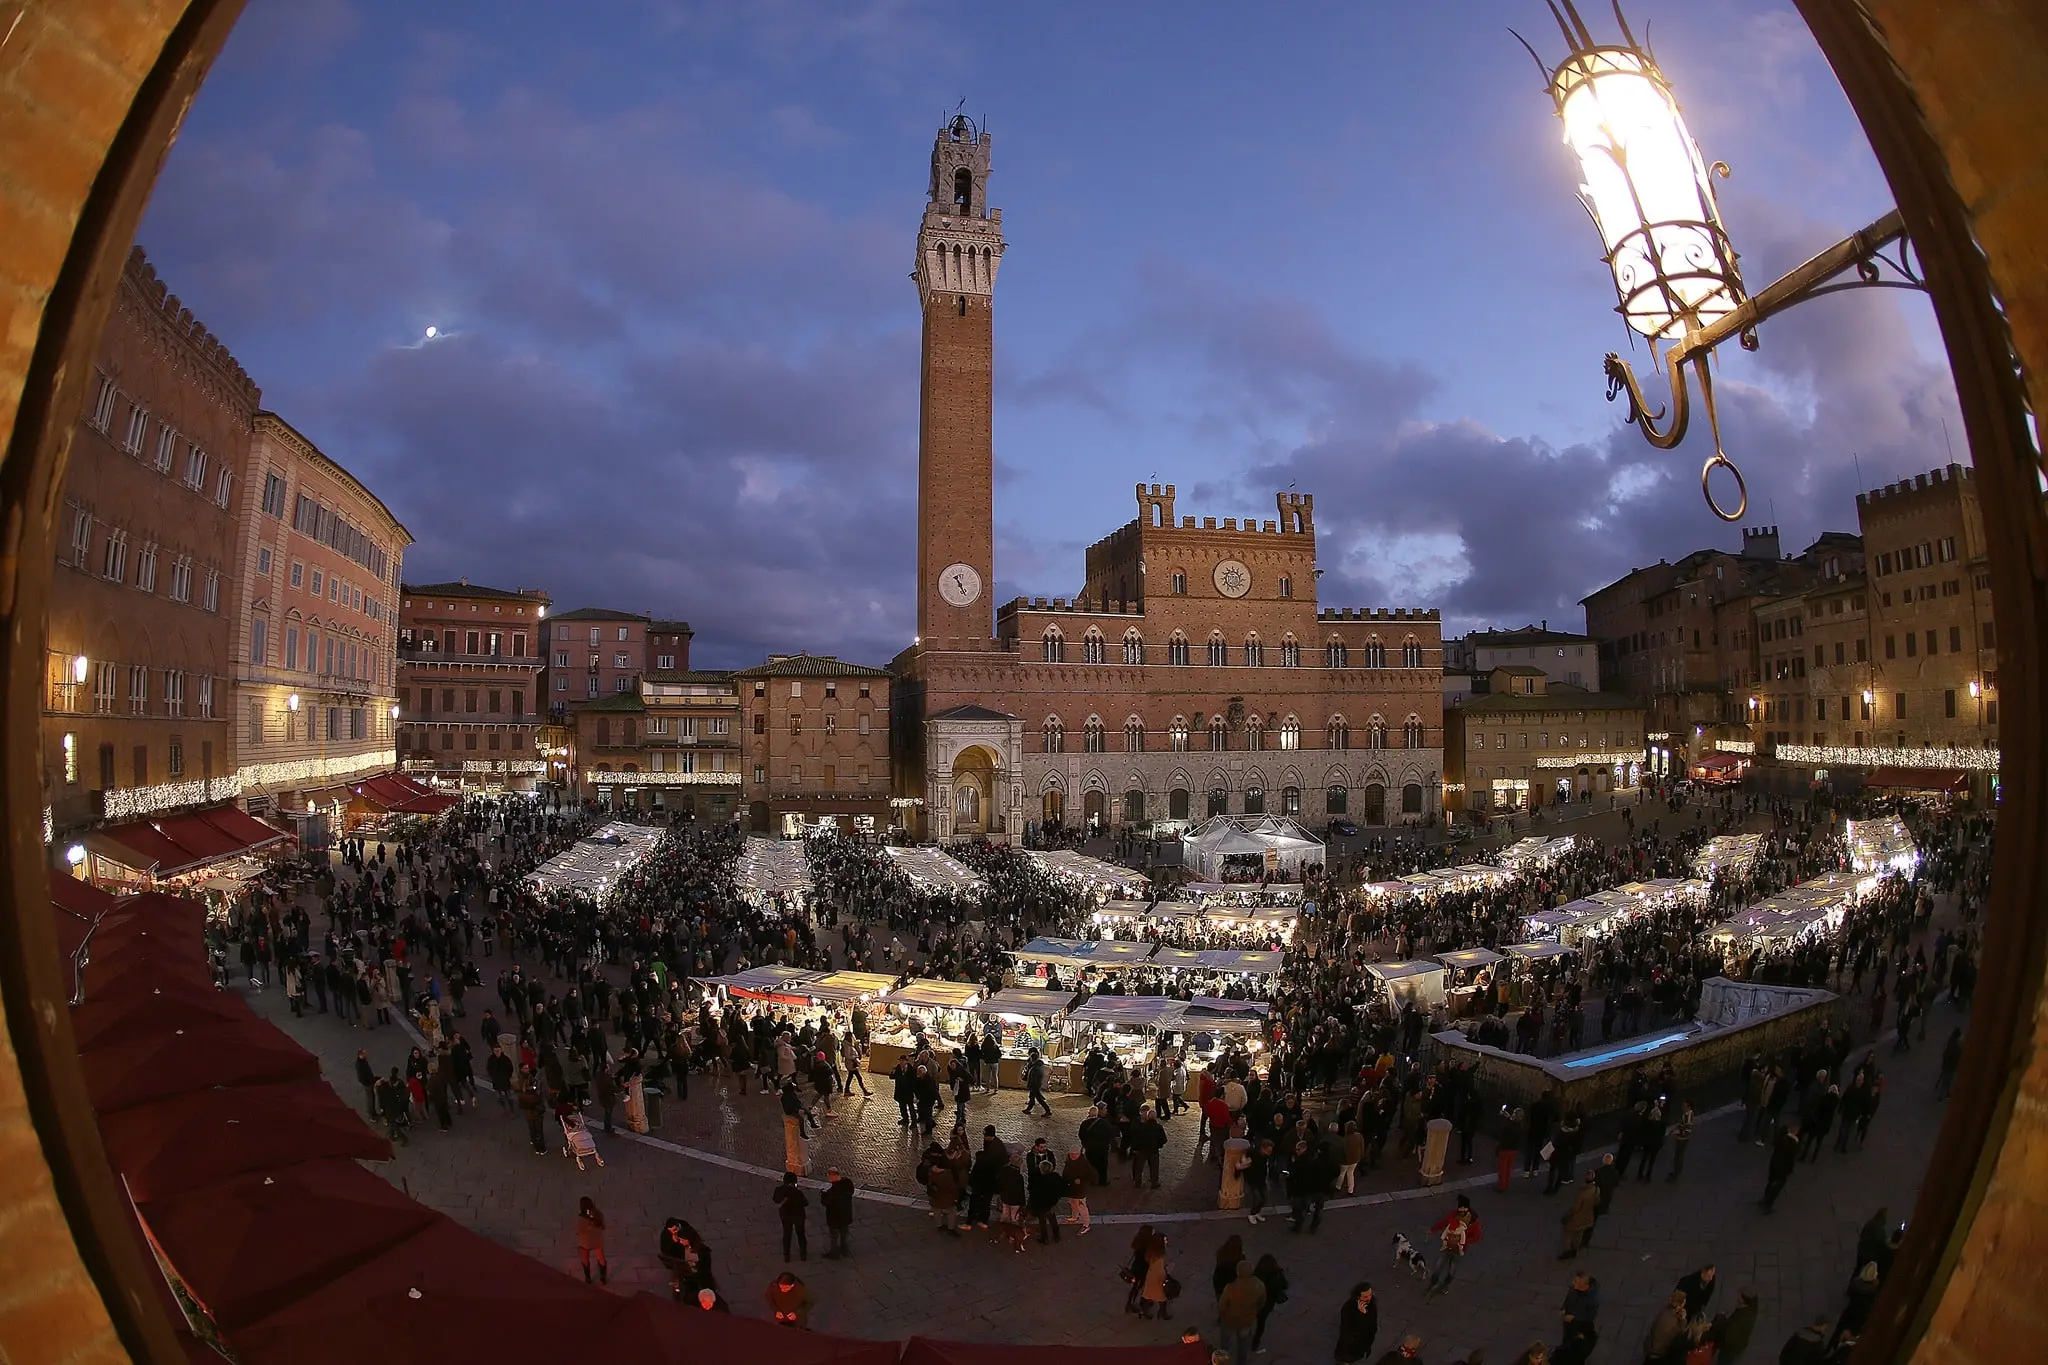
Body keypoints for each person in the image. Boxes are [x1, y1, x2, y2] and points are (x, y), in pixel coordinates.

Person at [1424, 1196, 1481, 1299]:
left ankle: (1445, 1285)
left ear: (1468, 1208)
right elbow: (1443, 1222)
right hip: (1447, 1246)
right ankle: (1432, 1284)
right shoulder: (1453, 1215)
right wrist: (1432, 1230)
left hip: (1459, 1249)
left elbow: (1476, 1237)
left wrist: (1462, 1241)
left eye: (1464, 1208)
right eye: (1460, 1207)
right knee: (1438, 1267)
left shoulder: (1473, 1221)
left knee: (1452, 1270)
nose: (1461, 1210)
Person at [1216, 1261, 1267, 1365]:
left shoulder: (1231, 1287)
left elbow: (1222, 1305)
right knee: (1243, 1345)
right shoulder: (1260, 1285)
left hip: (1230, 1320)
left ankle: (1221, 1362)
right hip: (1247, 1321)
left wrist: (1222, 1315)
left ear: (1238, 1272)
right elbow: (1262, 1303)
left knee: (1225, 1344)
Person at [1557, 1270, 1600, 1365]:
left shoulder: (1592, 1299)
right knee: (1567, 1339)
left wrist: (1574, 1317)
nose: (1573, 1284)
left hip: (1580, 1326)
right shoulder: (1574, 1289)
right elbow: (1568, 1298)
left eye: (1576, 1282)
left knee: (1577, 1347)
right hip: (1568, 1323)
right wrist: (1563, 1308)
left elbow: (1590, 1315)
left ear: (1584, 1286)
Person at [1252, 1252, 1289, 1354]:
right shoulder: (1276, 1275)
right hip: (1267, 1304)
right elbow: (1285, 1285)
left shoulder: (1256, 1275)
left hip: (1255, 1302)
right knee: (1261, 1322)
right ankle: (1255, 1342)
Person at [1334, 1283, 1380, 1364]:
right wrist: (1361, 1315)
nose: (1369, 1298)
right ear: (1358, 1297)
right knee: (1347, 1358)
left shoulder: (1371, 1305)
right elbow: (1351, 1329)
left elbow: (1373, 1323)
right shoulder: (1348, 1308)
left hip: (1364, 1341)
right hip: (1352, 1343)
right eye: (1365, 1297)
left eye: (1370, 1294)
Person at [1643, 1289, 1691, 1365]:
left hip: (1650, 1348)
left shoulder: (1665, 1310)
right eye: (1684, 1303)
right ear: (1679, 1305)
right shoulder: (1672, 1323)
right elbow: (1680, 1334)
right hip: (1659, 1353)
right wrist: (1683, 1319)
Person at [1709, 1289, 1760, 1362]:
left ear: (1744, 1300)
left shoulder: (1741, 1319)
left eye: (1739, 1297)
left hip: (1730, 1348)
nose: (1737, 1298)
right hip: (1738, 1344)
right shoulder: (1750, 1309)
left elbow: (1729, 1335)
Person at [1762, 1122, 1801, 1213]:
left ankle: (1765, 1198)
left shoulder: (1781, 1138)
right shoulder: (1794, 1144)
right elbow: (1791, 1159)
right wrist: (1790, 1170)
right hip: (1782, 1167)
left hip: (1774, 1163)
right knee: (1778, 1185)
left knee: (1771, 1181)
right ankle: (1769, 1204)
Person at [1559, 1172, 1599, 1259]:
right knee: (1580, 1233)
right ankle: (1575, 1248)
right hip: (1588, 1216)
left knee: (1567, 1233)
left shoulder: (1582, 1193)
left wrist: (1568, 1214)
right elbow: (1597, 1202)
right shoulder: (1596, 1189)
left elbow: (1575, 1208)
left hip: (1577, 1217)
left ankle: (1568, 1250)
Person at [772, 1170, 809, 1262]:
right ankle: (803, 1254)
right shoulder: (797, 1192)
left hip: (786, 1216)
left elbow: (776, 1200)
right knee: (800, 1234)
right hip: (798, 1216)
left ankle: (786, 1255)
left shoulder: (779, 1190)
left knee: (787, 1234)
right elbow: (805, 1203)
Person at [1130, 1103, 1168, 1190]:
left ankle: (1137, 1182)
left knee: (1139, 1166)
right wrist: (1159, 1145)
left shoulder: (1141, 1127)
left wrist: (1136, 1147)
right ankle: (1154, 1182)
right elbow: (1164, 1140)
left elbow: (1136, 1138)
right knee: (1154, 1167)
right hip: (1154, 1150)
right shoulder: (1158, 1127)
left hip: (1142, 1150)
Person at [1137, 1232, 1173, 1321]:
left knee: (1148, 1294)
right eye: (1165, 1240)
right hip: (1158, 1277)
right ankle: (1162, 1313)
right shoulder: (1159, 1253)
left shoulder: (1151, 1251)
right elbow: (1159, 1267)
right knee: (1162, 1296)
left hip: (1152, 1275)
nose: (1166, 1241)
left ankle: (1146, 1312)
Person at [821, 1167, 855, 1259]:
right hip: (846, 1215)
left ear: (832, 1176)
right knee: (844, 1234)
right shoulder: (848, 1183)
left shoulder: (833, 1192)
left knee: (834, 1236)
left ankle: (834, 1254)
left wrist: (823, 1195)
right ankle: (844, 1250)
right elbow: (851, 1192)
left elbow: (826, 1203)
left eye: (828, 1176)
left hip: (834, 1218)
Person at [1220, 1119, 1252, 1211]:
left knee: (1227, 1184)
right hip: (1239, 1168)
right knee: (1238, 1184)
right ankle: (1236, 1202)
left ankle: (1226, 1202)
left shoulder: (1227, 1143)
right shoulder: (1246, 1143)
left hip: (1228, 1167)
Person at [575, 1197, 607, 1284]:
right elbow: (603, 1227)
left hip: (585, 1242)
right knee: (601, 1258)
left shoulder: (581, 1219)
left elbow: (579, 1231)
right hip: (597, 1241)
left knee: (585, 1259)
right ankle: (603, 1277)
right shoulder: (599, 1215)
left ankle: (588, 1278)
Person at [1062, 1145, 1093, 1232]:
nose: (1073, 1156)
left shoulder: (1084, 1163)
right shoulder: (1069, 1161)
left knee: (1081, 1206)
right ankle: (1074, 1217)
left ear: (1079, 1154)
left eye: (1075, 1154)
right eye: (1072, 1154)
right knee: (1072, 1202)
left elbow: (1092, 1175)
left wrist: (1081, 1180)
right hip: (1071, 1187)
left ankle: (1086, 1224)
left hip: (1080, 1189)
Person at [1666, 1101, 1695, 1184]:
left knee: (1679, 1157)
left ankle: (1676, 1174)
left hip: (1683, 1139)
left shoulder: (1688, 1117)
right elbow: (1680, 1123)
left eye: (1685, 1106)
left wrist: (1676, 1133)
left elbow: (1687, 1130)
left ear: (1689, 1107)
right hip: (1681, 1138)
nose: (1683, 1107)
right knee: (1677, 1156)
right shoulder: (1685, 1114)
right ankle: (1675, 1172)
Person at [1024, 1048, 1053, 1116]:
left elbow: (1033, 1078)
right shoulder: (1038, 1066)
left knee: (1039, 1099)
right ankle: (1028, 1109)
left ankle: (1047, 1110)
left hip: (1034, 1085)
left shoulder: (1035, 1068)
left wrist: (1030, 1085)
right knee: (1031, 1097)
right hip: (1035, 1085)